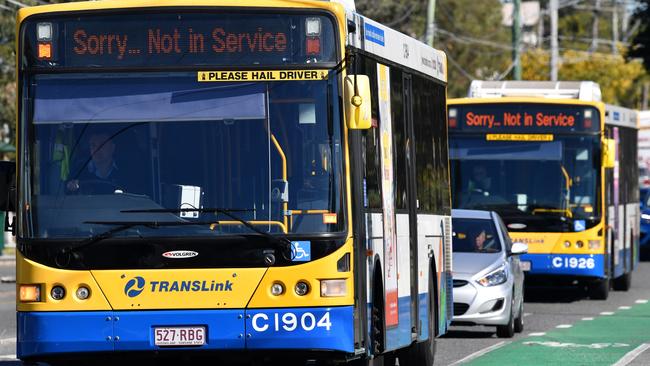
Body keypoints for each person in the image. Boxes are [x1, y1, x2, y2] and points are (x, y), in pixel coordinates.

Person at [66, 130, 127, 194]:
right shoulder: (78, 170)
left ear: (112, 147)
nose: (97, 149)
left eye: (102, 144)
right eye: (93, 145)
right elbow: (66, 194)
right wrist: (71, 187)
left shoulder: (125, 170)